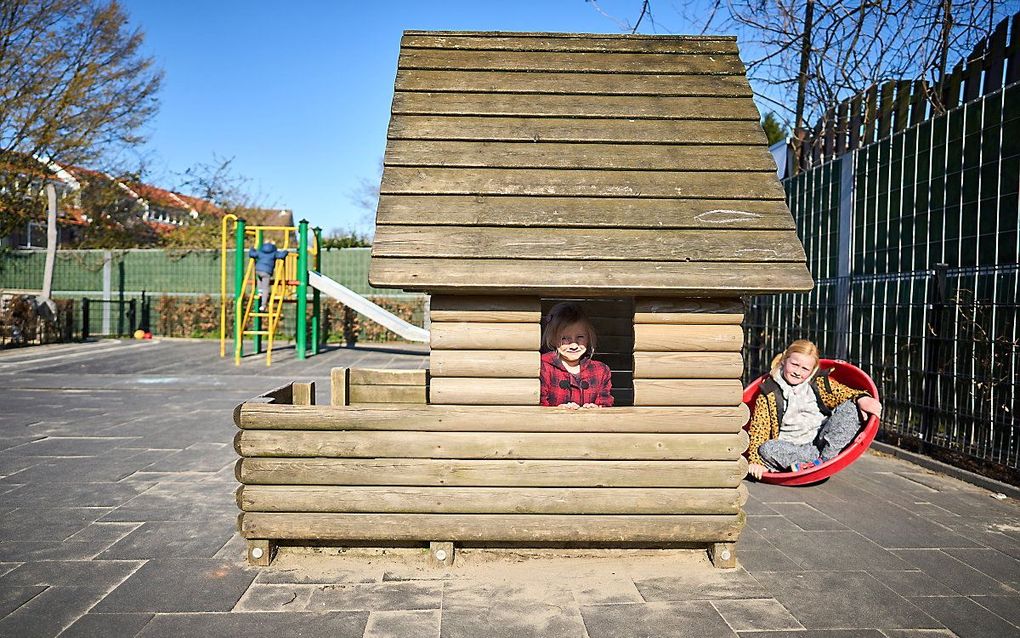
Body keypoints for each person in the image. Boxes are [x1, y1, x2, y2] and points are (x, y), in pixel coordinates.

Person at [746, 339, 882, 479]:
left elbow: (844, 393)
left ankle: (822, 461)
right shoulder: (769, 392)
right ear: (784, 361)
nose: (798, 372)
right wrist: (755, 462)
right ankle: (810, 463)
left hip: (823, 441)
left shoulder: (819, 383)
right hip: (791, 446)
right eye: (794, 365)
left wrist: (861, 398)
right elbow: (759, 428)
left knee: (851, 407)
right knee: (767, 449)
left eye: (805, 369)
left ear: (813, 369)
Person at [539, 302, 613, 409]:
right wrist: (557, 410)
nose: (574, 345)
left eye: (580, 337)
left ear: (588, 338)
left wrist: (597, 408)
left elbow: (605, 401)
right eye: (565, 338)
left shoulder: (601, 370)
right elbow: (539, 402)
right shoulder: (544, 367)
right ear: (553, 339)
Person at [248, 241, 290, 311]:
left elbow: (252, 254)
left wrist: (252, 249)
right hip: (266, 272)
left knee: (259, 279)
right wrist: (286, 252)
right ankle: (263, 305)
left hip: (258, 270)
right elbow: (281, 255)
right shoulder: (274, 253)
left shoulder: (260, 252)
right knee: (266, 288)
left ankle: (260, 290)